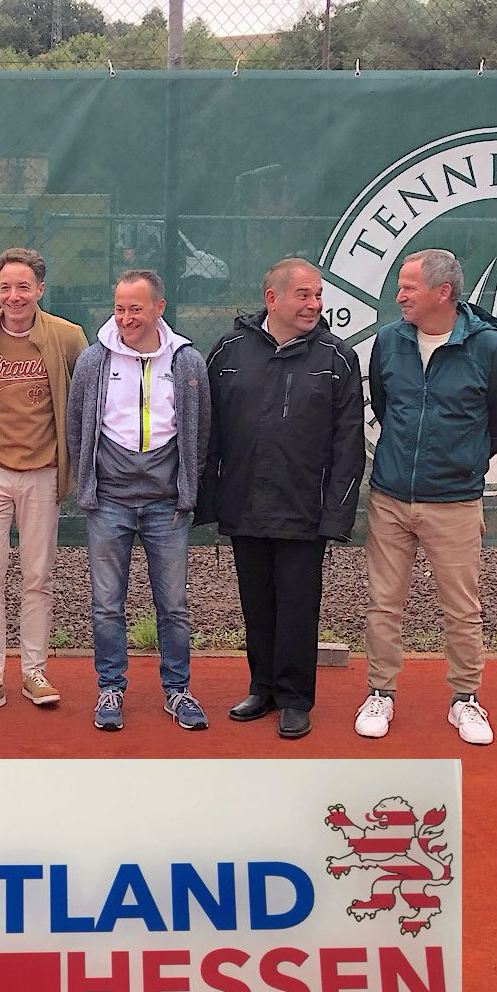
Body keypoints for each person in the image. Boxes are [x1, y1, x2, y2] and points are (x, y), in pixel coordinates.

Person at [353, 248, 497, 746]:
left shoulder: (489, 347)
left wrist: (462, 462)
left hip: (455, 502)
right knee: (383, 604)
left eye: (409, 287)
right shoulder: (389, 340)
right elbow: (385, 406)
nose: (399, 296)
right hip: (390, 497)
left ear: (443, 292)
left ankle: (465, 699)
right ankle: (380, 693)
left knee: (462, 609)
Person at [197, 259, 365, 739]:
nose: (314, 305)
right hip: (244, 505)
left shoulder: (337, 358)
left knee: (297, 607)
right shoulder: (228, 351)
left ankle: (294, 698)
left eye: (318, 295)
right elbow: (209, 433)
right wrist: (208, 500)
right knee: (257, 604)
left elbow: (348, 444)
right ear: (272, 299)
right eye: (304, 295)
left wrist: (336, 514)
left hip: (304, 510)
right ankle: (263, 687)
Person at [66, 270, 210, 732]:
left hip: (167, 506)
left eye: (136, 309)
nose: (126, 318)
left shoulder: (187, 361)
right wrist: (90, 482)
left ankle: (178, 690)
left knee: (174, 606)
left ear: (158, 308)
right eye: (120, 308)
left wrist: (186, 487)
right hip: (109, 503)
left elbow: (200, 430)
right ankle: (110, 688)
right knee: (107, 604)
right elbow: (76, 425)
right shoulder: (94, 360)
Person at [0, 248, 88, 718]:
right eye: (6, 287)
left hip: (43, 471)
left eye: (23, 287)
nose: (14, 296)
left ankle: (34, 672)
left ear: (40, 290)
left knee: (38, 576)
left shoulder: (67, 337)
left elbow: (79, 399)